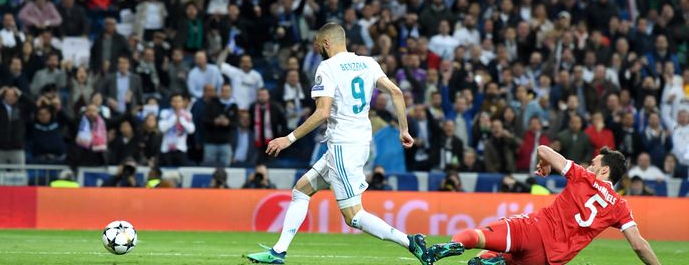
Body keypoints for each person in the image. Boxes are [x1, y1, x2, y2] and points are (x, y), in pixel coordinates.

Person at [245, 23, 462, 265]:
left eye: (319, 46)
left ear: (326, 43)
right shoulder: (368, 63)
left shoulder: (327, 67)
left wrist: (289, 138)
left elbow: (322, 112)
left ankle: (411, 242)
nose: (319, 51)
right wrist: (404, 129)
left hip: (342, 146)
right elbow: (396, 92)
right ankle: (278, 252)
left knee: (353, 216)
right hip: (357, 143)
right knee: (301, 190)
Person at [429, 146, 661, 265]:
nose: (589, 166)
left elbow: (543, 149)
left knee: (477, 237)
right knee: (503, 258)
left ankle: (451, 247)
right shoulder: (620, 207)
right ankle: (495, 261)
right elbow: (639, 246)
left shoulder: (583, 176)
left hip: (534, 230)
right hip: (549, 260)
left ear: (604, 170)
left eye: (593, 164)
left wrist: (545, 164)